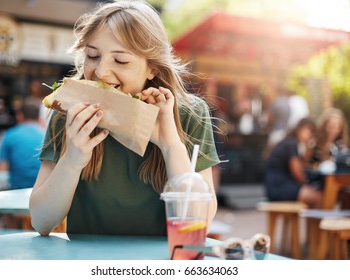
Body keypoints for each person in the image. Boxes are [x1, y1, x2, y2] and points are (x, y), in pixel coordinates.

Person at [29, 1, 220, 236]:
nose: (100, 72)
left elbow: (198, 222)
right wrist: (72, 159)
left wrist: (170, 144)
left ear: (153, 69)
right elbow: (41, 221)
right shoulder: (69, 113)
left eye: (120, 60)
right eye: (92, 55)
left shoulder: (188, 113)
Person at [264, 118, 322, 208]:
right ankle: (317, 222)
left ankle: (312, 222)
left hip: (277, 186)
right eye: (308, 130)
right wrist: (310, 185)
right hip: (279, 187)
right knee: (318, 197)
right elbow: (297, 174)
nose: (310, 135)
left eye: (312, 132)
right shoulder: (291, 144)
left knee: (314, 193)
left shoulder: (290, 143)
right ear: (299, 129)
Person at [0, 98, 45, 189]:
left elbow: (2, 169)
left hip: (17, 189)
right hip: (42, 189)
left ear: (20, 115)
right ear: (39, 116)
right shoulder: (46, 134)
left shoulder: (9, 135)